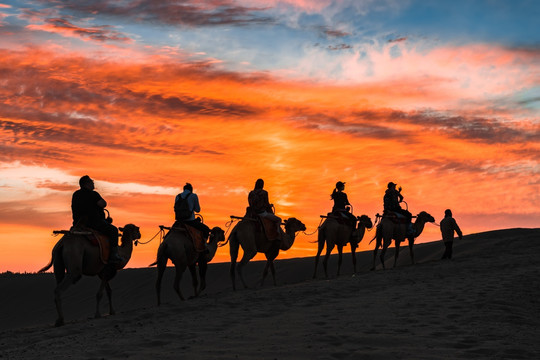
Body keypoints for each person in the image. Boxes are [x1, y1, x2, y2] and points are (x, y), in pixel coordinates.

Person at [71, 175, 121, 263]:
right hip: (94, 223)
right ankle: (114, 255)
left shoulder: (76, 194)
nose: (93, 183)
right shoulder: (93, 194)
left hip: (78, 224)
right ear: (86, 184)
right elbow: (103, 204)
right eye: (91, 182)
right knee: (113, 230)